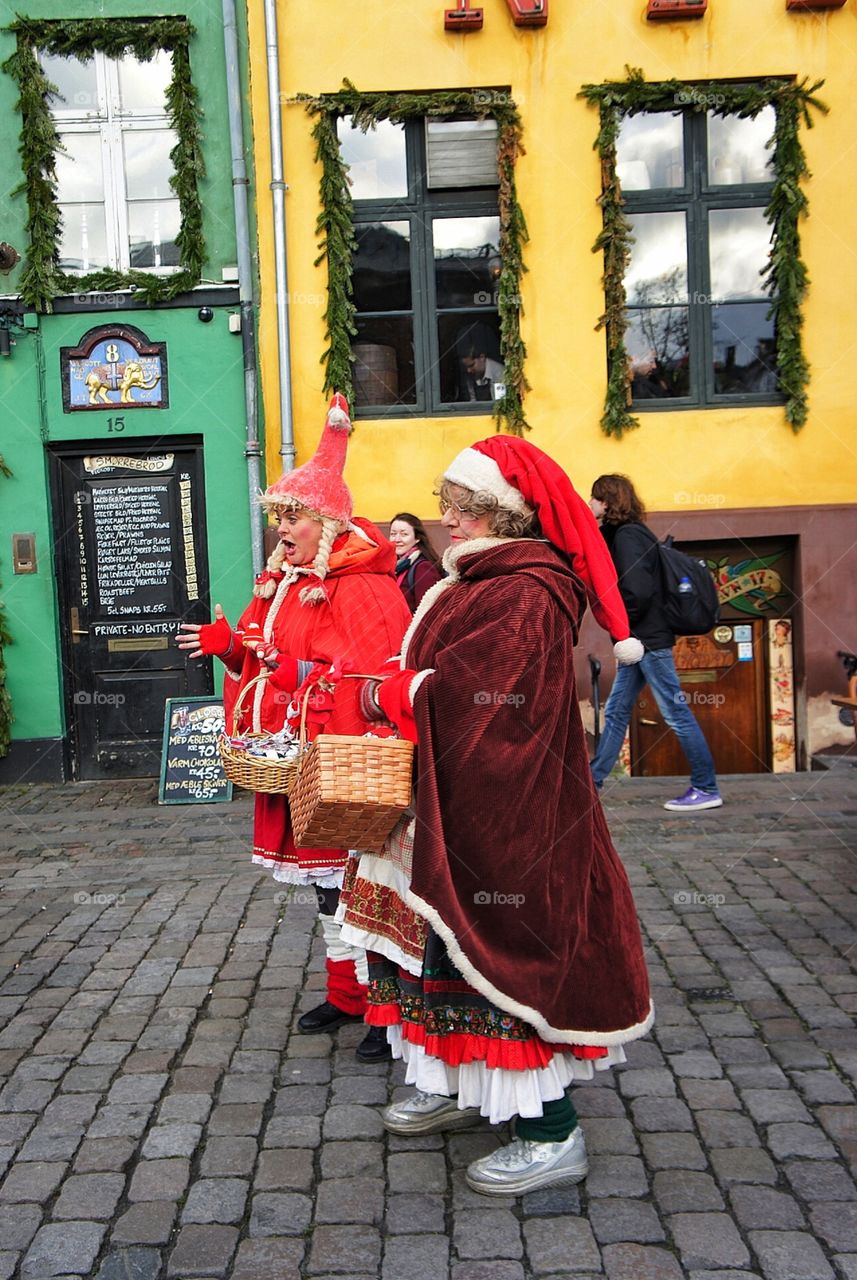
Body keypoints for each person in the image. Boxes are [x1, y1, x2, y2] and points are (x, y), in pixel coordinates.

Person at [341, 437, 652, 1196]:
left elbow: (476, 700)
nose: (447, 523)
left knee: (506, 953)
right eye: (447, 510)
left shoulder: (522, 589)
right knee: (441, 953)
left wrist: (389, 695)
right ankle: (462, 1087)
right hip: (455, 800)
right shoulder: (486, 578)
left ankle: (551, 1133)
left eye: (460, 511)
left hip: (510, 814)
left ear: (498, 515)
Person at [177, 394, 411, 1062]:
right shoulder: (281, 582)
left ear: (329, 525)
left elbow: (373, 680)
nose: (283, 528)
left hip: (337, 764)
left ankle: (382, 1007)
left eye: (296, 516)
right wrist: (228, 645)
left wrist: (303, 673)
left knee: (355, 885)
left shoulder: (360, 586)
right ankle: (344, 993)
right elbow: (261, 659)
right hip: (285, 763)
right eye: (280, 515)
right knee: (322, 889)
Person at [588, 473, 723, 812]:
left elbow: (637, 590)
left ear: (605, 502)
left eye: (593, 498)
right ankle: (593, 781)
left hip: (646, 639)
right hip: (641, 639)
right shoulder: (622, 534)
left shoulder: (628, 536)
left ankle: (706, 787)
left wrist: (623, 628)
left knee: (675, 712)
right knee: (618, 710)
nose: (589, 504)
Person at [389, 512, 443, 611]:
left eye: (404, 534)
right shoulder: (396, 566)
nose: (397, 539)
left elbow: (428, 612)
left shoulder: (423, 568)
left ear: (417, 538)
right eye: (393, 534)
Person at [455, 321, 505, 403]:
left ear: (482, 357)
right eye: (466, 367)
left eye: (471, 365)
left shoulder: (500, 373)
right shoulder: (469, 375)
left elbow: (502, 404)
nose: (468, 370)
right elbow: (472, 401)